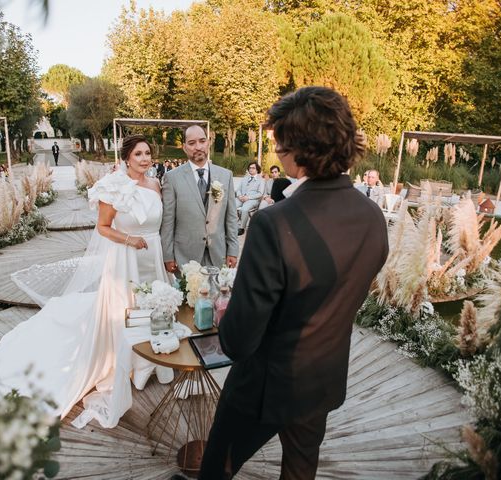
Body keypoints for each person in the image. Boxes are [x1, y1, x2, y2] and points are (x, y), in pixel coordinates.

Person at [198, 86, 389, 480]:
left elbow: (238, 338)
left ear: (301, 150)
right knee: (301, 471)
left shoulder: (275, 223)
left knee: (218, 466)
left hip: (262, 386)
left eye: (280, 147)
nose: (276, 155)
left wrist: (226, 314)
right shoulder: (373, 217)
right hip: (321, 379)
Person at [0, 134, 173, 427]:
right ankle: (126, 365)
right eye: (138, 154)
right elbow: (104, 228)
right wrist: (130, 239)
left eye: (148, 153)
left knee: (153, 307)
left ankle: (149, 365)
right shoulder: (113, 187)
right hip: (126, 259)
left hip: (153, 256)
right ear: (126, 158)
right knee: (127, 311)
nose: (145, 159)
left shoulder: (156, 184)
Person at [161, 125, 239, 271]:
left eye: (202, 141)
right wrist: (168, 255)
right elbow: (168, 220)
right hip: (185, 256)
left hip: (218, 254)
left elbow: (231, 217)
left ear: (208, 142)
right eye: (192, 143)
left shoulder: (225, 175)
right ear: (184, 147)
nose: (198, 147)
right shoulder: (172, 178)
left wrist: (233, 250)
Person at [235, 161, 265, 235]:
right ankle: (230, 224)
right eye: (250, 168)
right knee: (232, 205)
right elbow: (238, 189)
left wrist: (248, 197)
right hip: (241, 198)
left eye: (253, 168)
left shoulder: (261, 180)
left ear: (257, 170)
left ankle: (242, 228)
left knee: (244, 209)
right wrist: (239, 196)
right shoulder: (244, 178)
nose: (251, 169)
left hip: (252, 200)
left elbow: (260, 194)